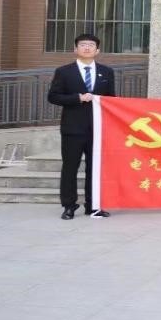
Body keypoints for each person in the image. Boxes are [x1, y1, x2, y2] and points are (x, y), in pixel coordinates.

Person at [47, 33, 115, 219]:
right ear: (75, 49)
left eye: (91, 45)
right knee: (70, 168)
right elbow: (53, 96)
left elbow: (111, 99)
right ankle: (69, 205)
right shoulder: (64, 71)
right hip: (72, 128)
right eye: (83, 44)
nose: (87, 48)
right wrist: (77, 98)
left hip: (97, 129)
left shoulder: (106, 72)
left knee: (95, 168)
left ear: (97, 50)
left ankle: (93, 205)